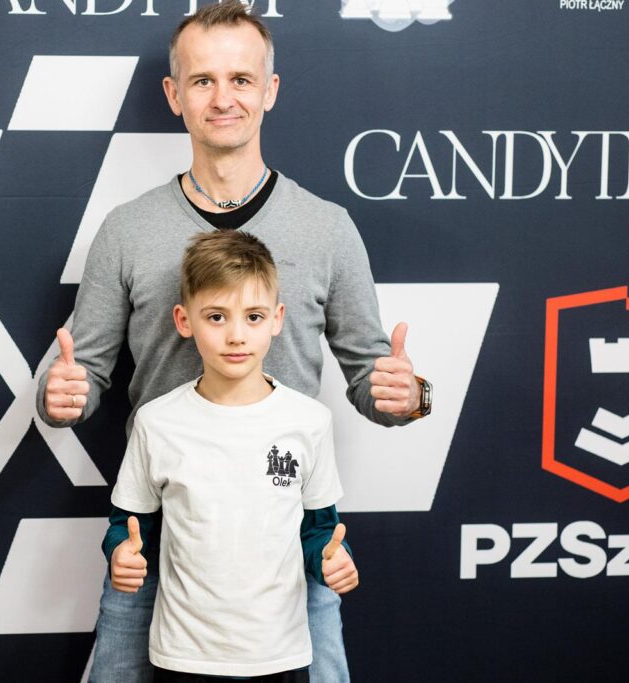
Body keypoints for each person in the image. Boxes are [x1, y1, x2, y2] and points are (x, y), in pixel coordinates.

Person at [36, 2, 432, 681]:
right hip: (158, 536)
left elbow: (376, 380)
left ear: (269, 90)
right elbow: (80, 376)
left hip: (287, 545)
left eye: (241, 79)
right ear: (174, 95)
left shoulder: (327, 227)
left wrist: (411, 394)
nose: (224, 98)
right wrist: (60, 396)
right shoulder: (127, 230)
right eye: (203, 80)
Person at [105, 230, 355, 682]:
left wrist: (330, 560)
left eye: (254, 317)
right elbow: (128, 524)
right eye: (217, 317)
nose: (237, 336)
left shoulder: (310, 422)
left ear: (277, 319)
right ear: (184, 320)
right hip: (184, 655)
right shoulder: (157, 422)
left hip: (280, 654)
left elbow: (320, 529)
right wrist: (121, 552)